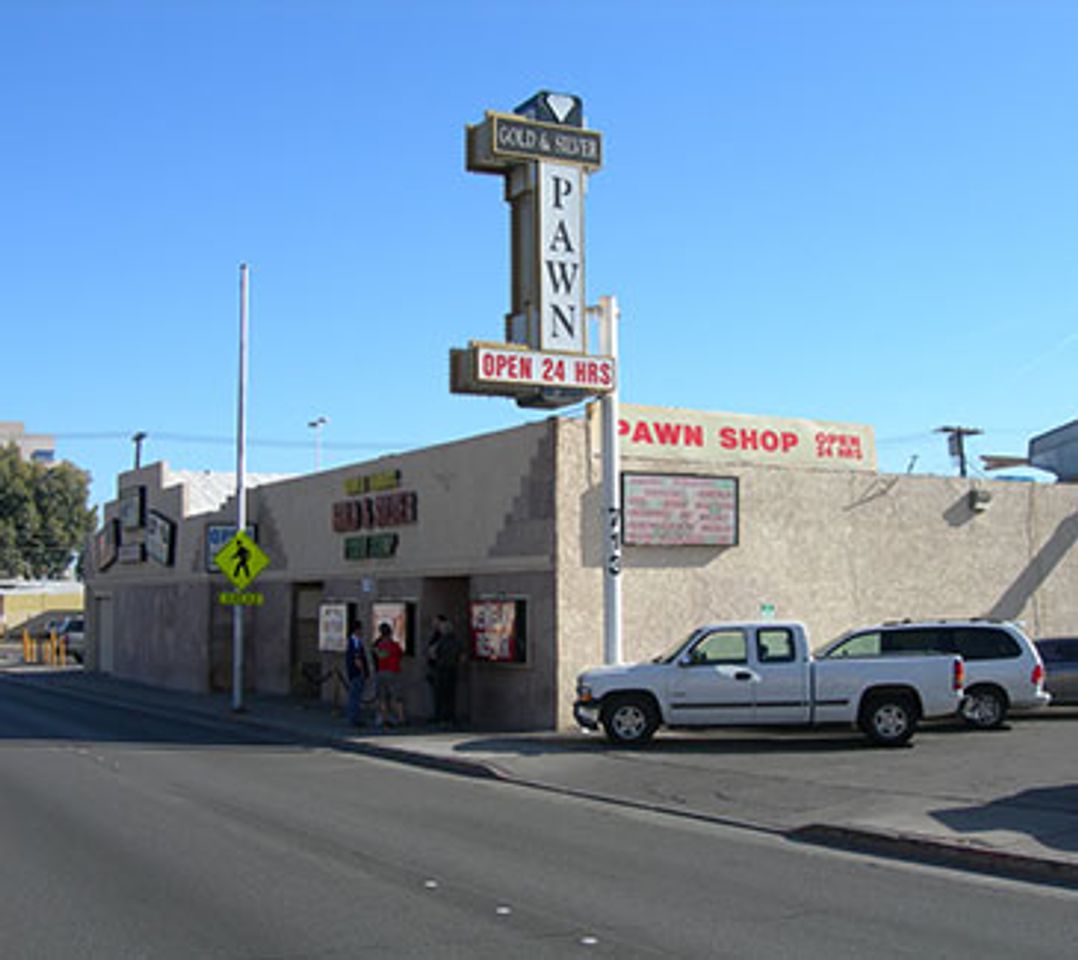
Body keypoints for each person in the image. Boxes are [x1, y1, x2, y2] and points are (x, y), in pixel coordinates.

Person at [427, 614, 462, 725]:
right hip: (452, 668)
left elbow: (432, 654)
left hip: (441, 668)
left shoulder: (440, 641)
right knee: (450, 695)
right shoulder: (456, 640)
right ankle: (449, 717)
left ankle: (441, 716)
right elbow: (462, 656)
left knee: (440, 694)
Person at [373, 621, 405, 728]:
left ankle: (385, 718)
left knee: (383, 696)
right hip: (394, 671)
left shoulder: (382, 645)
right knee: (396, 697)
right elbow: (400, 655)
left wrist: (376, 651)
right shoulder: (395, 645)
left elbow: (382, 656)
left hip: (383, 672)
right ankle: (401, 718)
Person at [344, 621, 372, 727]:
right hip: (356, 672)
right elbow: (357, 658)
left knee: (354, 696)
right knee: (355, 696)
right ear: (357, 630)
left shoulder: (353, 641)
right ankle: (354, 719)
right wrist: (363, 671)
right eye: (361, 629)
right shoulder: (355, 642)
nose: (362, 631)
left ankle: (354, 717)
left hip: (353, 672)